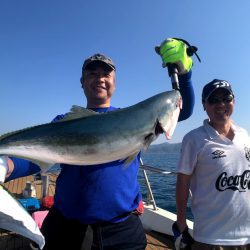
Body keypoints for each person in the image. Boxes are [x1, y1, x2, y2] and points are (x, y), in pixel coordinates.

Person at [0, 39, 195, 250]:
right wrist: (7, 166)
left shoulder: (133, 119)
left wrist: (184, 73)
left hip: (121, 228)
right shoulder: (65, 122)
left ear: (114, 82)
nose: (99, 79)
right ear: (82, 82)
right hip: (67, 224)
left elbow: (183, 108)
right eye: (92, 74)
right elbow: (35, 159)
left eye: (106, 74)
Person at [175, 79, 250, 250]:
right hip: (211, 238)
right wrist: (181, 222)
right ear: (204, 105)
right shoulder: (193, 139)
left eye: (226, 98)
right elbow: (183, 182)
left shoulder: (245, 135)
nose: (221, 104)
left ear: (234, 101)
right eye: (213, 100)